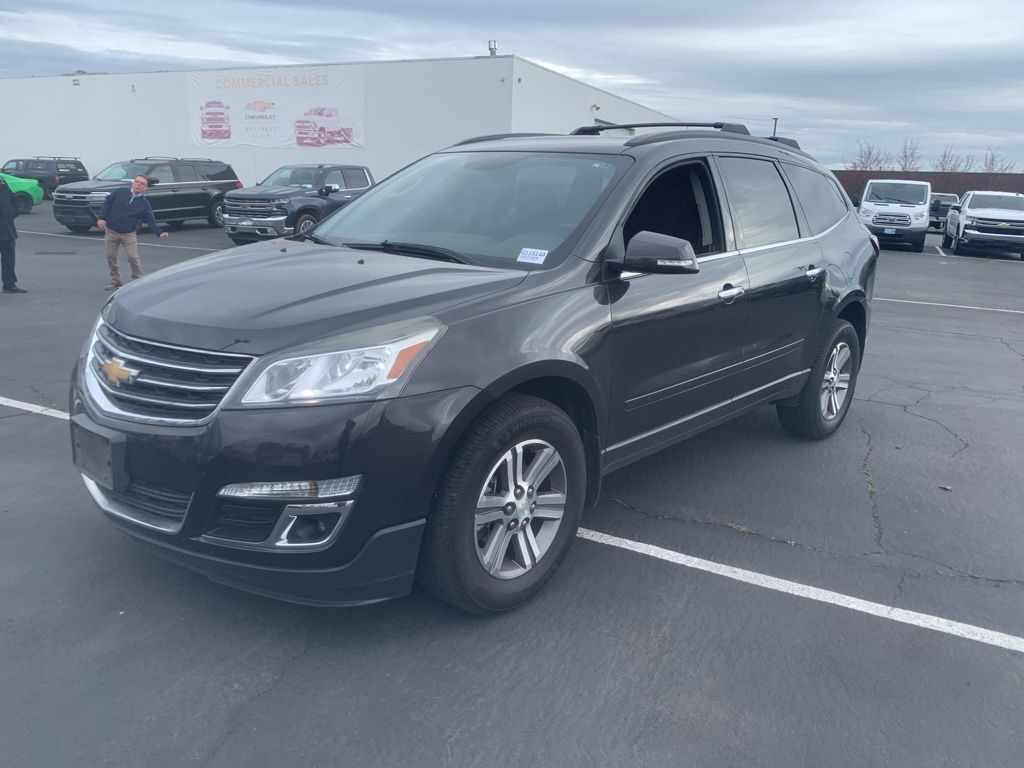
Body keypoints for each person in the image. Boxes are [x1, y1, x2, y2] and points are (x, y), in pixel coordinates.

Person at [97, 174, 169, 290]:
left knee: (132, 257)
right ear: (133, 183)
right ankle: (116, 281)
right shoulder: (119, 192)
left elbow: (150, 220)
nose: (139, 185)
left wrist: (159, 232)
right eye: (137, 182)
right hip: (111, 231)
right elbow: (107, 203)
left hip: (128, 234)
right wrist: (102, 218)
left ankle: (138, 281)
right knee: (110, 256)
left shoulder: (144, 203)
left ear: (145, 188)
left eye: (142, 184)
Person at [0, 175, 26, 293]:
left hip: (6, 229)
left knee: (9, 259)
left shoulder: (3, 184)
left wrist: (13, 212)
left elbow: (14, 200)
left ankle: (9, 284)